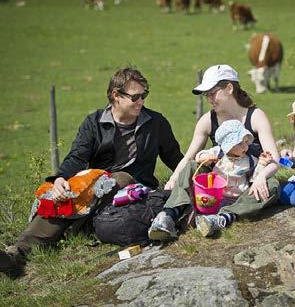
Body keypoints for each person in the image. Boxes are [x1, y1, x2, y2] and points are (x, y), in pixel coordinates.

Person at [0, 67, 183, 278]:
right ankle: (16, 255)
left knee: (120, 178)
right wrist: (60, 179)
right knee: (62, 194)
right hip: (95, 189)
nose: (141, 101)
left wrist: (197, 173)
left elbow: (175, 158)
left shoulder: (156, 123)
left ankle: (72, 227)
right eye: (135, 97)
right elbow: (77, 156)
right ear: (116, 95)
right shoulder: (93, 122)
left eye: (144, 95)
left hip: (134, 190)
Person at [148, 64, 280, 241]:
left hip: (248, 184)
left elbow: (275, 158)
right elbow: (189, 157)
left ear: (230, 88)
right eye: (206, 95)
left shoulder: (255, 117)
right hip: (215, 187)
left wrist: (262, 176)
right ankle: (168, 217)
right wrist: (173, 180)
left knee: (273, 185)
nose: (209, 99)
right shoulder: (207, 120)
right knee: (193, 165)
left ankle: (222, 218)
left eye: (212, 93)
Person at [193, 119, 273, 236]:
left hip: (237, 198)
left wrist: (261, 163)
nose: (245, 146)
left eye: (246, 142)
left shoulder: (249, 160)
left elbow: (254, 178)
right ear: (228, 144)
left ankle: (221, 219)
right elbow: (199, 155)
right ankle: (198, 219)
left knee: (245, 201)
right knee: (206, 205)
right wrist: (206, 157)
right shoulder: (219, 152)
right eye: (240, 143)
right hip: (216, 196)